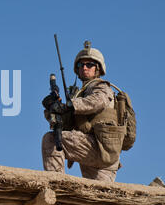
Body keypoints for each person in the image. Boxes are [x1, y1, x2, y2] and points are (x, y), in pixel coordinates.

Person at [41, 41, 124, 182]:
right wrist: (51, 109)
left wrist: (69, 105)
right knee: (100, 199)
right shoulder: (80, 94)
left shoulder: (101, 86)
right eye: (81, 65)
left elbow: (98, 101)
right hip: (97, 153)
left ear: (98, 68)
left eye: (89, 65)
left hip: (100, 147)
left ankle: (57, 186)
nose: (84, 68)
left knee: (51, 140)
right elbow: (61, 124)